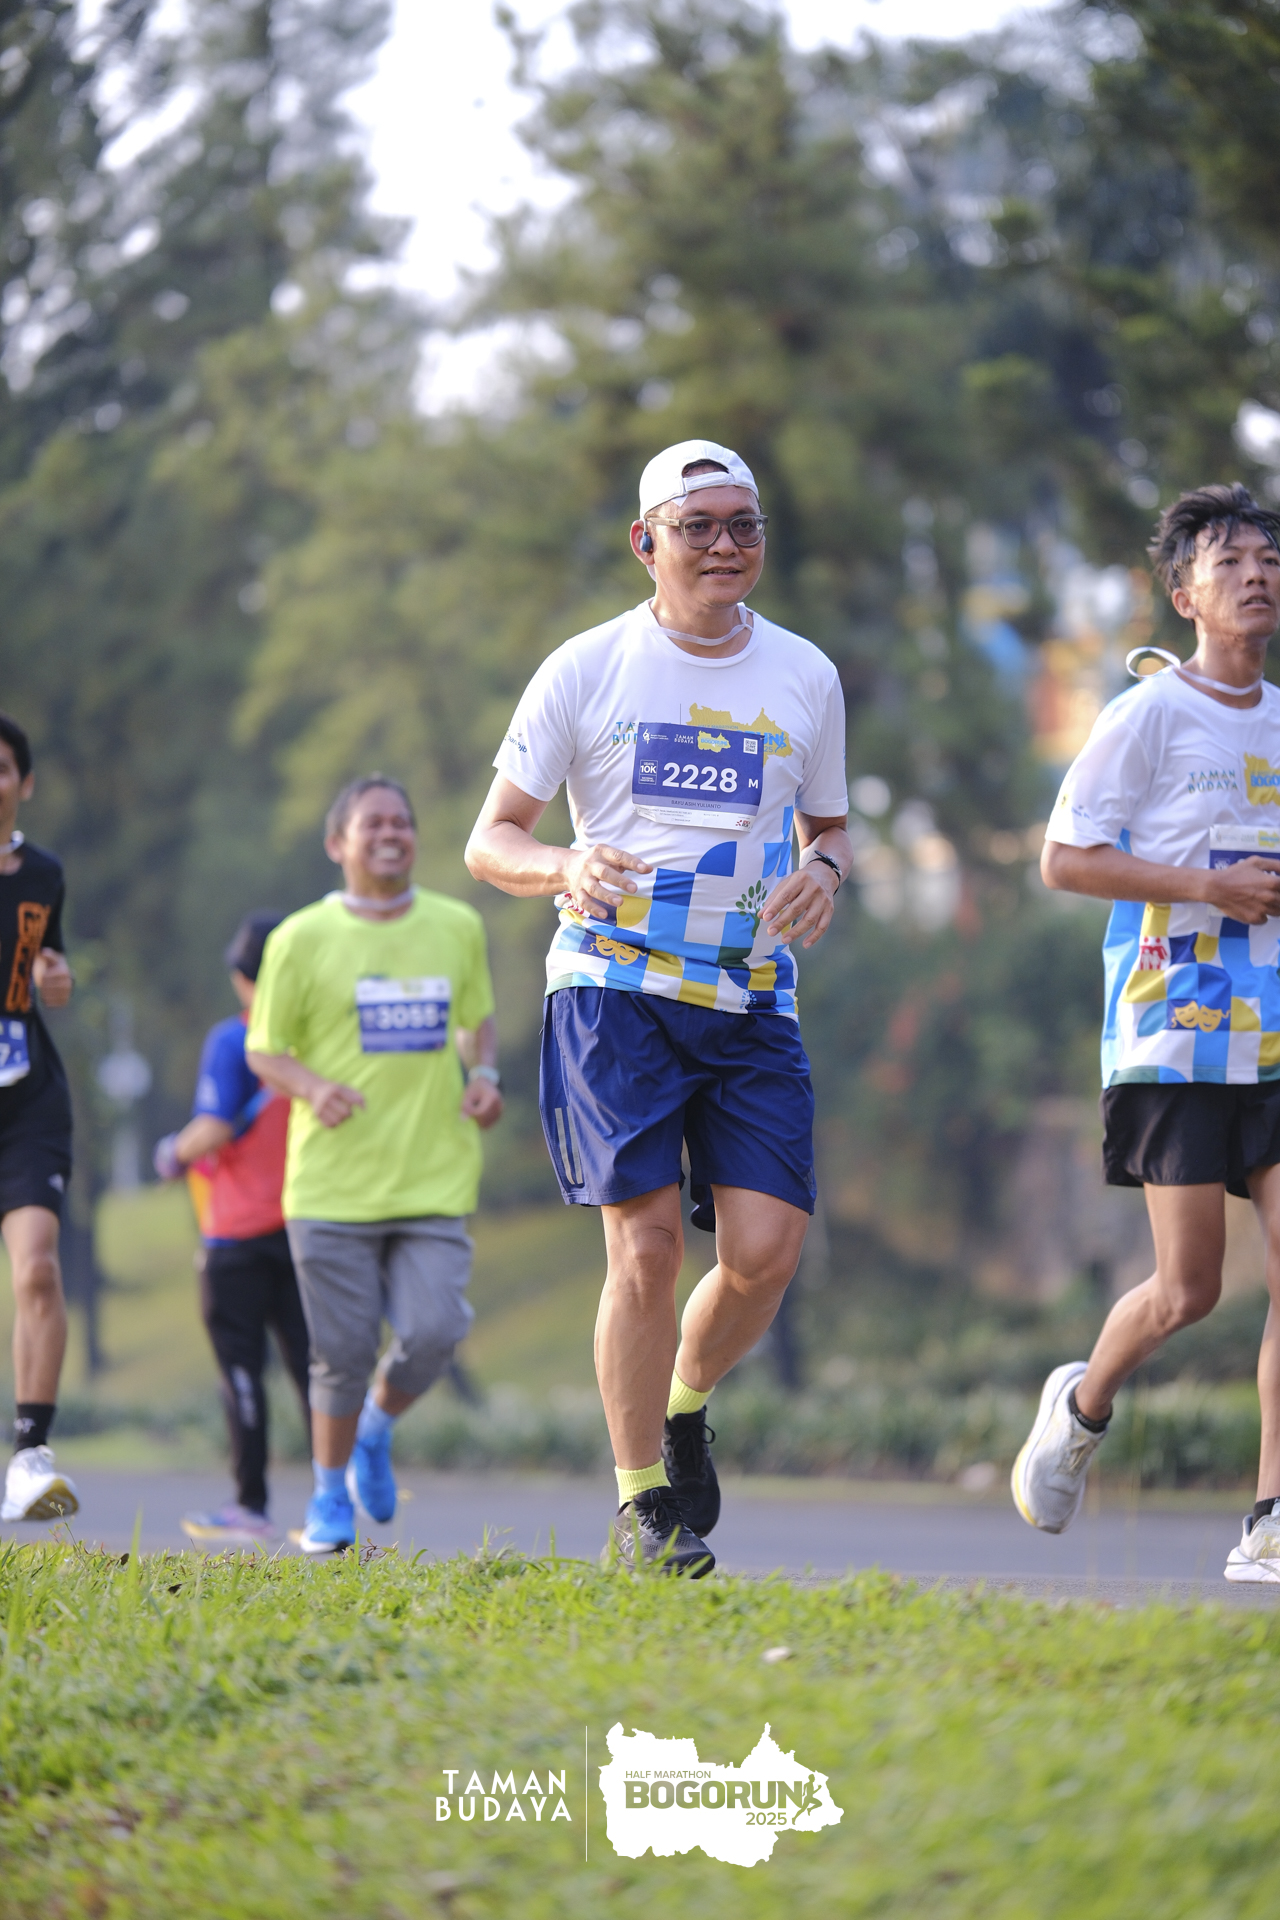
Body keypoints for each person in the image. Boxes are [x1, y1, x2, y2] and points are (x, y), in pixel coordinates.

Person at [465, 438, 851, 1575]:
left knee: (765, 1253)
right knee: (642, 1251)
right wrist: (560, 865)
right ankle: (642, 1507)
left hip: (748, 995)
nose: (726, 544)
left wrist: (824, 872)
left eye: (744, 524)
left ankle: (684, 1403)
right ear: (646, 543)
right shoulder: (586, 668)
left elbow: (829, 826)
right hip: (613, 987)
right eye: (699, 526)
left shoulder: (805, 674)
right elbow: (491, 839)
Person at [1012, 483, 1280, 1584]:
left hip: (1277, 1031)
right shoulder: (1147, 714)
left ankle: (1268, 1521)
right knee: (1189, 1290)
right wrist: (1207, 886)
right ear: (1183, 596)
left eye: (1267, 559)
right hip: (1174, 1028)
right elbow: (1063, 861)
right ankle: (1081, 1406)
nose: (1255, 576)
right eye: (1228, 563)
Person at [245, 775, 503, 1556]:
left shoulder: (456, 925)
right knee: (343, 1353)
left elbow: (476, 1023)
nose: (392, 833)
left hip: (433, 1175)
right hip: (332, 1185)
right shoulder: (299, 938)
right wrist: (313, 1087)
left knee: (434, 1331)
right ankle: (328, 1498)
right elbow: (266, 1050)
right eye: (373, 824)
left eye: (402, 822)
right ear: (338, 844)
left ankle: (375, 1430)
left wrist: (483, 1075)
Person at [152, 911, 312, 1547]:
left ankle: (250, 1505)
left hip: (236, 1233)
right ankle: (336, 1500)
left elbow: (214, 1126)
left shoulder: (235, 1039)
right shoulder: (317, 1039)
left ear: (245, 978)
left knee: (241, 1371)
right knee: (315, 1371)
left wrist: (171, 1153)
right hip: (306, 1225)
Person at [0, 712, 79, 1525]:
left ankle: (30, 1458)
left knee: (37, 1271)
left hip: (27, 1100)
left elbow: (47, 967)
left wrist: (58, 981)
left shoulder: (44, 873)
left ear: (23, 781)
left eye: (1, 767)